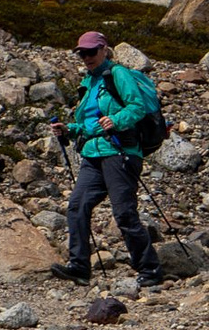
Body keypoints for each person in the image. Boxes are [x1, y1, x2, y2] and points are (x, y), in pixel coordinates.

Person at [49, 31, 164, 289]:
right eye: (82, 53)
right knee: (77, 206)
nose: (86, 57)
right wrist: (70, 129)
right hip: (93, 154)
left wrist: (116, 121)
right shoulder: (88, 82)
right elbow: (88, 123)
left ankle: (150, 269)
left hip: (120, 152)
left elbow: (137, 108)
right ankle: (79, 267)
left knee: (123, 213)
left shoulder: (118, 74)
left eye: (91, 52)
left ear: (104, 50)